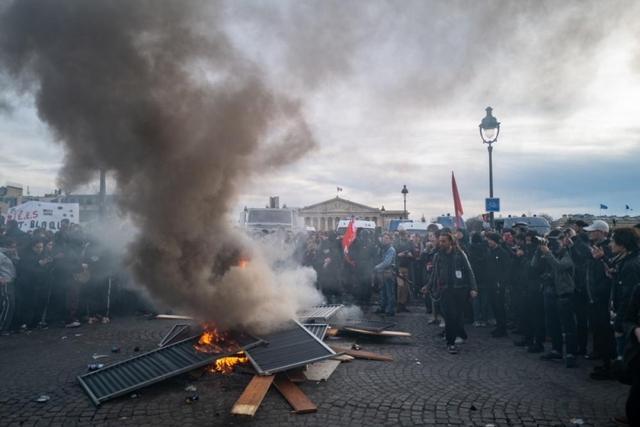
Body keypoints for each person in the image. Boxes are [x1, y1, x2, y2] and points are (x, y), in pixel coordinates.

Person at [427, 232, 477, 354]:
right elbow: (435, 274)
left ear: (450, 241)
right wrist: (428, 286)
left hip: (460, 289)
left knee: (458, 315)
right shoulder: (438, 256)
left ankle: (461, 334)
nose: (441, 243)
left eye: (444, 241)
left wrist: (473, 288)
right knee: (449, 315)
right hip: (445, 290)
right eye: (440, 241)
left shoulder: (460, 254)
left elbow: (469, 271)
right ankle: (451, 343)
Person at [535, 229, 578, 368]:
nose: (554, 244)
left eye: (556, 240)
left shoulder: (569, 253)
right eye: (551, 240)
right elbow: (535, 267)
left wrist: (547, 253)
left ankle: (571, 353)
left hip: (565, 294)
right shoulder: (550, 254)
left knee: (568, 326)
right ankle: (556, 350)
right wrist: (538, 251)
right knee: (553, 325)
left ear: (564, 241)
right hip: (550, 293)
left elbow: (559, 267)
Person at [584, 220, 616, 379]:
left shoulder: (609, 248)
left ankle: (609, 365)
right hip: (595, 294)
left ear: (602, 232)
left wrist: (603, 258)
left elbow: (611, 273)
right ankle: (604, 362)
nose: (589, 233)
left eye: (593, 231)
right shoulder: (594, 247)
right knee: (599, 330)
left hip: (604, 296)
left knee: (606, 332)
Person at [484, 232, 511, 337]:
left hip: (499, 283)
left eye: (490, 240)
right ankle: (499, 326)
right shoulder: (490, 252)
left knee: (499, 306)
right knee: (494, 306)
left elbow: (507, 268)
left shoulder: (502, 253)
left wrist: (502, 281)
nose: (488, 242)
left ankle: (502, 328)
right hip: (491, 282)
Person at [374, 233, 396, 316]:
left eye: (387, 238)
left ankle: (390, 310)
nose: (384, 239)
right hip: (382, 273)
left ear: (390, 240)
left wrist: (376, 267)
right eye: (383, 238)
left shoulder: (391, 249)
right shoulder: (382, 249)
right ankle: (383, 307)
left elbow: (387, 263)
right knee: (382, 291)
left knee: (389, 292)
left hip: (389, 273)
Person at [0, 239, 17, 331]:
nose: (14, 248)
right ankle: (2, 327)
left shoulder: (8, 255)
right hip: (5, 282)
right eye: (12, 246)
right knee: (8, 304)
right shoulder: (1, 255)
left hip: (10, 281)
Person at [395, 230, 414, 312]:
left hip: (407, 267)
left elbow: (413, 255)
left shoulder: (410, 243)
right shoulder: (396, 243)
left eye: (405, 235)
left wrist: (410, 255)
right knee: (400, 286)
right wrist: (399, 255)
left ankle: (403, 304)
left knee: (405, 287)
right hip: (399, 267)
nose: (404, 236)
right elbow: (394, 254)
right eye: (402, 235)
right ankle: (399, 304)